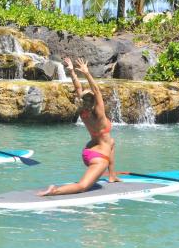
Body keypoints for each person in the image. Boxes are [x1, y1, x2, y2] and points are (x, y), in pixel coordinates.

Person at [38, 58, 120, 196]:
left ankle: (112, 176)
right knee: (82, 186)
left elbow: (77, 88)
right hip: (99, 158)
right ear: (94, 102)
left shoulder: (83, 112)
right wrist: (87, 74)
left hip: (88, 152)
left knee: (111, 142)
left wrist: (71, 72)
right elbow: (97, 91)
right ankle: (55, 190)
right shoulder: (100, 115)